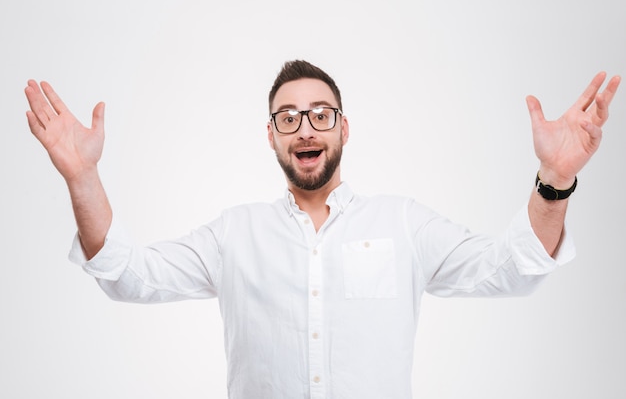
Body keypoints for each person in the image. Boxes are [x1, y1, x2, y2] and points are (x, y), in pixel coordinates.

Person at [24, 60, 620, 399]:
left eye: (320, 115)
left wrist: (554, 178)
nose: (305, 128)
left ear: (343, 128)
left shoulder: (403, 224)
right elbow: (129, 276)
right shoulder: (234, 235)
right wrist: (82, 177)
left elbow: (513, 269)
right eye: (288, 117)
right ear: (271, 135)